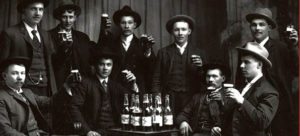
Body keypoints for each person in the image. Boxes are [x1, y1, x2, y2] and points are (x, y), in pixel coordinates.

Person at [236, 8, 298, 136]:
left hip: (279, 107)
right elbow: (240, 80)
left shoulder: (282, 48)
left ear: (269, 27)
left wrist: (294, 47)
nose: (257, 28)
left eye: (261, 24)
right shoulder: (245, 48)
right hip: (252, 106)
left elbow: (297, 70)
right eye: (254, 25)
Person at [68, 47, 139, 136]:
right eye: (102, 64)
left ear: (112, 66)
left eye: (109, 65)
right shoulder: (85, 83)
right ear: (96, 65)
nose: (105, 68)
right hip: (94, 131)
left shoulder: (115, 85)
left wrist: (133, 85)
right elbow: (74, 107)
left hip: (116, 130)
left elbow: (133, 102)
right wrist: (87, 131)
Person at [0, 56, 72, 136]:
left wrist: (67, 86)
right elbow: (5, 130)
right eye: (14, 73)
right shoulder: (2, 97)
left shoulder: (27, 92)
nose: (20, 77)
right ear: (4, 76)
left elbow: (50, 103)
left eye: (22, 73)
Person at [151, 15, 207, 116]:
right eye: (177, 30)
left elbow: (205, 80)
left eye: (183, 29)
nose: (180, 33)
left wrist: (201, 68)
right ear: (172, 32)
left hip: (191, 99)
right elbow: (156, 78)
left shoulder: (200, 53)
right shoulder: (163, 52)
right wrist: (157, 99)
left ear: (189, 31)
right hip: (169, 99)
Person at [0, 0, 57, 97]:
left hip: (46, 89)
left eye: (41, 9)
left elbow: (53, 63)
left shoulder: (46, 35)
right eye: (33, 9)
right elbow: (2, 66)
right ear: (24, 10)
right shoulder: (10, 33)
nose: (38, 13)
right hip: (22, 89)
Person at [224, 42, 279, 136]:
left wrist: (241, 100)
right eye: (241, 62)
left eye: (247, 62)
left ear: (259, 65)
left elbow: (262, 122)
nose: (241, 66)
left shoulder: (270, 92)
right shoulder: (243, 87)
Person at [99, 5, 155, 94]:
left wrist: (148, 51)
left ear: (135, 25)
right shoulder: (111, 43)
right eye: (123, 23)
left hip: (136, 90)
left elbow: (150, 70)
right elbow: (100, 54)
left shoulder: (143, 44)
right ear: (118, 24)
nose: (127, 26)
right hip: (115, 90)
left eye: (130, 23)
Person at [49, 0, 97, 90]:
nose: (68, 21)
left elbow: (89, 61)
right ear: (59, 17)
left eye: (71, 17)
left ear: (75, 17)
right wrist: (65, 49)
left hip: (81, 85)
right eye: (64, 17)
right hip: (59, 84)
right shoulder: (49, 36)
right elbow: (52, 62)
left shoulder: (83, 37)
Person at [176, 62, 230, 136]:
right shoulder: (198, 96)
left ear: (223, 78)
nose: (210, 79)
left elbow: (231, 121)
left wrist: (222, 102)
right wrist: (183, 122)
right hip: (196, 133)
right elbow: (183, 114)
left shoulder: (229, 95)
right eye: (208, 76)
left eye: (214, 76)